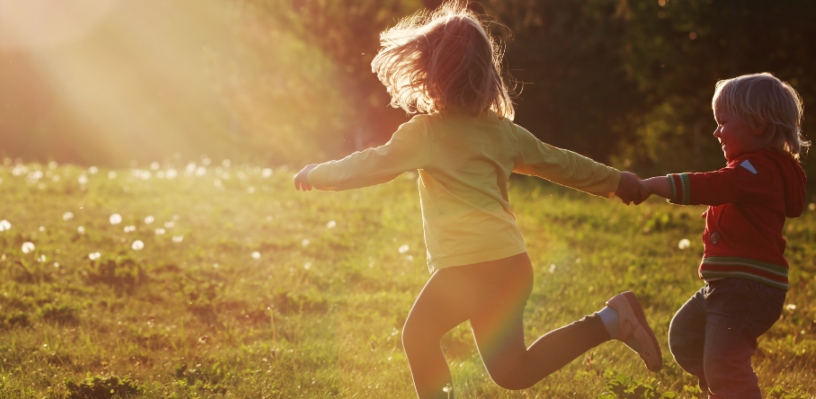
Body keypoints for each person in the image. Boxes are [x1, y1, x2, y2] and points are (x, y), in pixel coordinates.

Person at [292, 2, 660, 397]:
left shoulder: (427, 133)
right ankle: (610, 321)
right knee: (513, 372)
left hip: (472, 269)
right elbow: (563, 164)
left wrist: (316, 173)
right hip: (510, 266)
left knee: (418, 337)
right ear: (485, 74)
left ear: (429, 74)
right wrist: (619, 181)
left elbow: (370, 166)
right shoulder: (503, 133)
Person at [638, 72, 807, 398]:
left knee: (723, 365)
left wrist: (651, 185)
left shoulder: (756, 169)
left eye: (723, 122)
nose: (716, 131)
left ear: (757, 125)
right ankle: (725, 385)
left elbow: (712, 185)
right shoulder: (758, 171)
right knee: (686, 336)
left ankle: (728, 382)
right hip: (731, 285)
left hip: (745, 288)